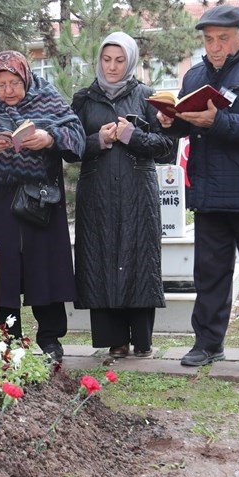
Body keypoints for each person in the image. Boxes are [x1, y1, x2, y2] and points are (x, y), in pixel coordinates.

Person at [157, 5, 239, 373]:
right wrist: (170, 121)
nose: (215, 47)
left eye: (223, 38)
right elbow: (187, 127)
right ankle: (208, 343)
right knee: (210, 274)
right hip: (210, 192)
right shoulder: (196, 75)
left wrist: (218, 121)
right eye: (209, 39)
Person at [0, 51, 86, 362]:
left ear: (26, 78)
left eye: (14, 82)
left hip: (40, 199)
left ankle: (50, 339)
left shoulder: (48, 98)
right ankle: (4, 340)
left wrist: (49, 138)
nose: (8, 90)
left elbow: (77, 138)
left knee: (44, 267)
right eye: (1, 84)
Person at [68, 32, 174, 360]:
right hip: (97, 193)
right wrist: (97, 140)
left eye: (119, 60)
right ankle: (114, 340)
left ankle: (142, 339)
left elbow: (167, 148)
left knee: (138, 259)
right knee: (100, 258)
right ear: (98, 60)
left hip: (136, 193)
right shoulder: (83, 99)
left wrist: (131, 135)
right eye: (106, 59)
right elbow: (69, 150)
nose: (112, 66)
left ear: (130, 61)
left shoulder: (147, 97)